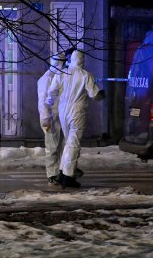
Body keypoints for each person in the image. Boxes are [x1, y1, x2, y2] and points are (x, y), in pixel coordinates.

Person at [46, 48, 105, 189]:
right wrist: (102, 94)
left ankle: (62, 173)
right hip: (77, 111)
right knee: (73, 143)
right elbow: (94, 95)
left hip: (63, 110)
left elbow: (52, 92)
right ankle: (67, 176)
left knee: (69, 142)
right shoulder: (85, 75)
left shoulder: (62, 73)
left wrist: (48, 106)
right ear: (82, 60)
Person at [38, 52, 66, 187]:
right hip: (50, 117)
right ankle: (52, 174)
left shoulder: (59, 76)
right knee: (52, 146)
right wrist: (45, 117)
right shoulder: (46, 78)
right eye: (62, 62)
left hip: (59, 115)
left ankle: (61, 172)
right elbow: (42, 100)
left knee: (61, 145)